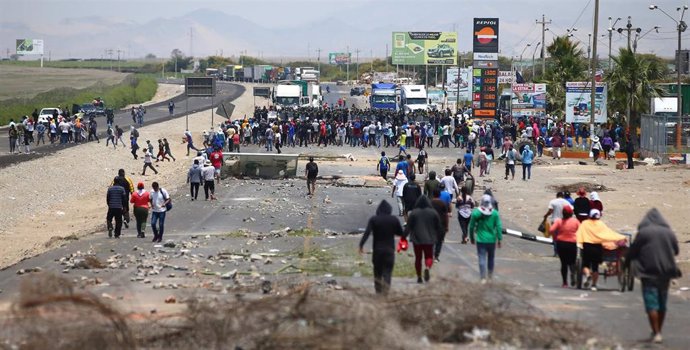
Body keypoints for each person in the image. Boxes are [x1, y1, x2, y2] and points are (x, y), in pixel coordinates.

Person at [626, 208, 681, 344]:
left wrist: (626, 263)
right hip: (666, 272)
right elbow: (676, 251)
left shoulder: (644, 233)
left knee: (651, 303)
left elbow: (633, 251)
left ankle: (656, 333)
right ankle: (658, 332)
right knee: (662, 303)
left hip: (648, 272)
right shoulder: (669, 232)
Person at [359, 200, 404, 295]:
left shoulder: (374, 219)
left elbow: (367, 233)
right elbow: (400, 233)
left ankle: (378, 292)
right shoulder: (393, 220)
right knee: (387, 272)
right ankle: (386, 293)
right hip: (389, 251)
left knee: (377, 272)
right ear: (389, 210)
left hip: (377, 251)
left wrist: (361, 245)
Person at [575, 209, 626, 291]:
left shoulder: (584, 224)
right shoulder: (601, 224)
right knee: (595, 267)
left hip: (587, 247)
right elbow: (608, 234)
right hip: (597, 248)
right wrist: (620, 237)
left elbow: (579, 234)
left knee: (585, 265)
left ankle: (588, 274)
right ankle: (594, 286)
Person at [404, 196, 443, 283]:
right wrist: (439, 237)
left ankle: (419, 276)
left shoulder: (414, 213)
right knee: (429, 256)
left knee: (418, 258)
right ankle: (427, 267)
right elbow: (439, 227)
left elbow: (408, 227)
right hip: (430, 239)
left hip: (416, 239)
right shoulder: (433, 213)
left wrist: (403, 237)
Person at [468, 194, 503, 283]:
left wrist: (471, 238)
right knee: (491, 258)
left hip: (480, 239)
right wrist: (499, 239)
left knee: (482, 258)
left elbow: (471, 227)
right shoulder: (495, 213)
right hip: (492, 239)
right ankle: (490, 276)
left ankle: (483, 277)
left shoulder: (476, 213)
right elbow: (499, 226)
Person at [549, 206, 580, 287]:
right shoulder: (575, 221)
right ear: (571, 213)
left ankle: (565, 282)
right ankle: (573, 274)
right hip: (572, 243)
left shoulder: (559, 221)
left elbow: (551, 230)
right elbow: (581, 230)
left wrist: (555, 236)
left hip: (561, 243)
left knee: (563, 263)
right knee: (572, 262)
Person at [431, 188, 449, 261]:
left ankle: (430, 255)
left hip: (431, 225)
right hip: (441, 225)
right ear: (439, 194)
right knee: (439, 241)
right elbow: (446, 215)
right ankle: (436, 256)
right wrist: (447, 226)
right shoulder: (443, 203)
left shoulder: (429, 202)